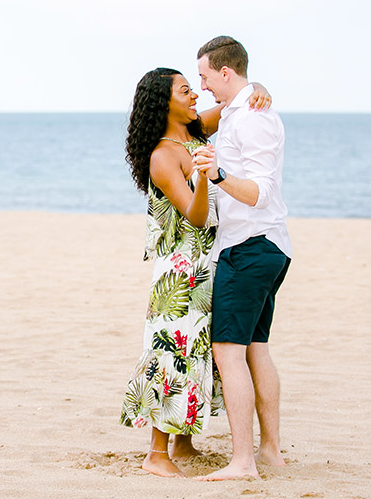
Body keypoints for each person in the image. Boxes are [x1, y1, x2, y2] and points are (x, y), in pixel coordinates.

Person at [119, 67, 269, 478]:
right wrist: (205, 174)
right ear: (163, 103)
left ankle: (183, 443)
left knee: (198, 353)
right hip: (179, 272)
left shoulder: (194, 128)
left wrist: (258, 89)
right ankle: (156, 453)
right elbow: (198, 215)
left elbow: (232, 100)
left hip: (205, 264)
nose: (194, 97)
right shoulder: (163, 156)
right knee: (171, 352)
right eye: (185, 91)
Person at [192, 36, 293, 481]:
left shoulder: (252, 117)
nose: (203, 85)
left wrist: (217, 174)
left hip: (250, 246)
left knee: (227, 351)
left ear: (225, 73)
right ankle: (269, 451)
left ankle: (243, 462)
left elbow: (260, 193)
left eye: (205, 76)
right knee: (255, 349)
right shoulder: (241, 108)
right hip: (262, 246)